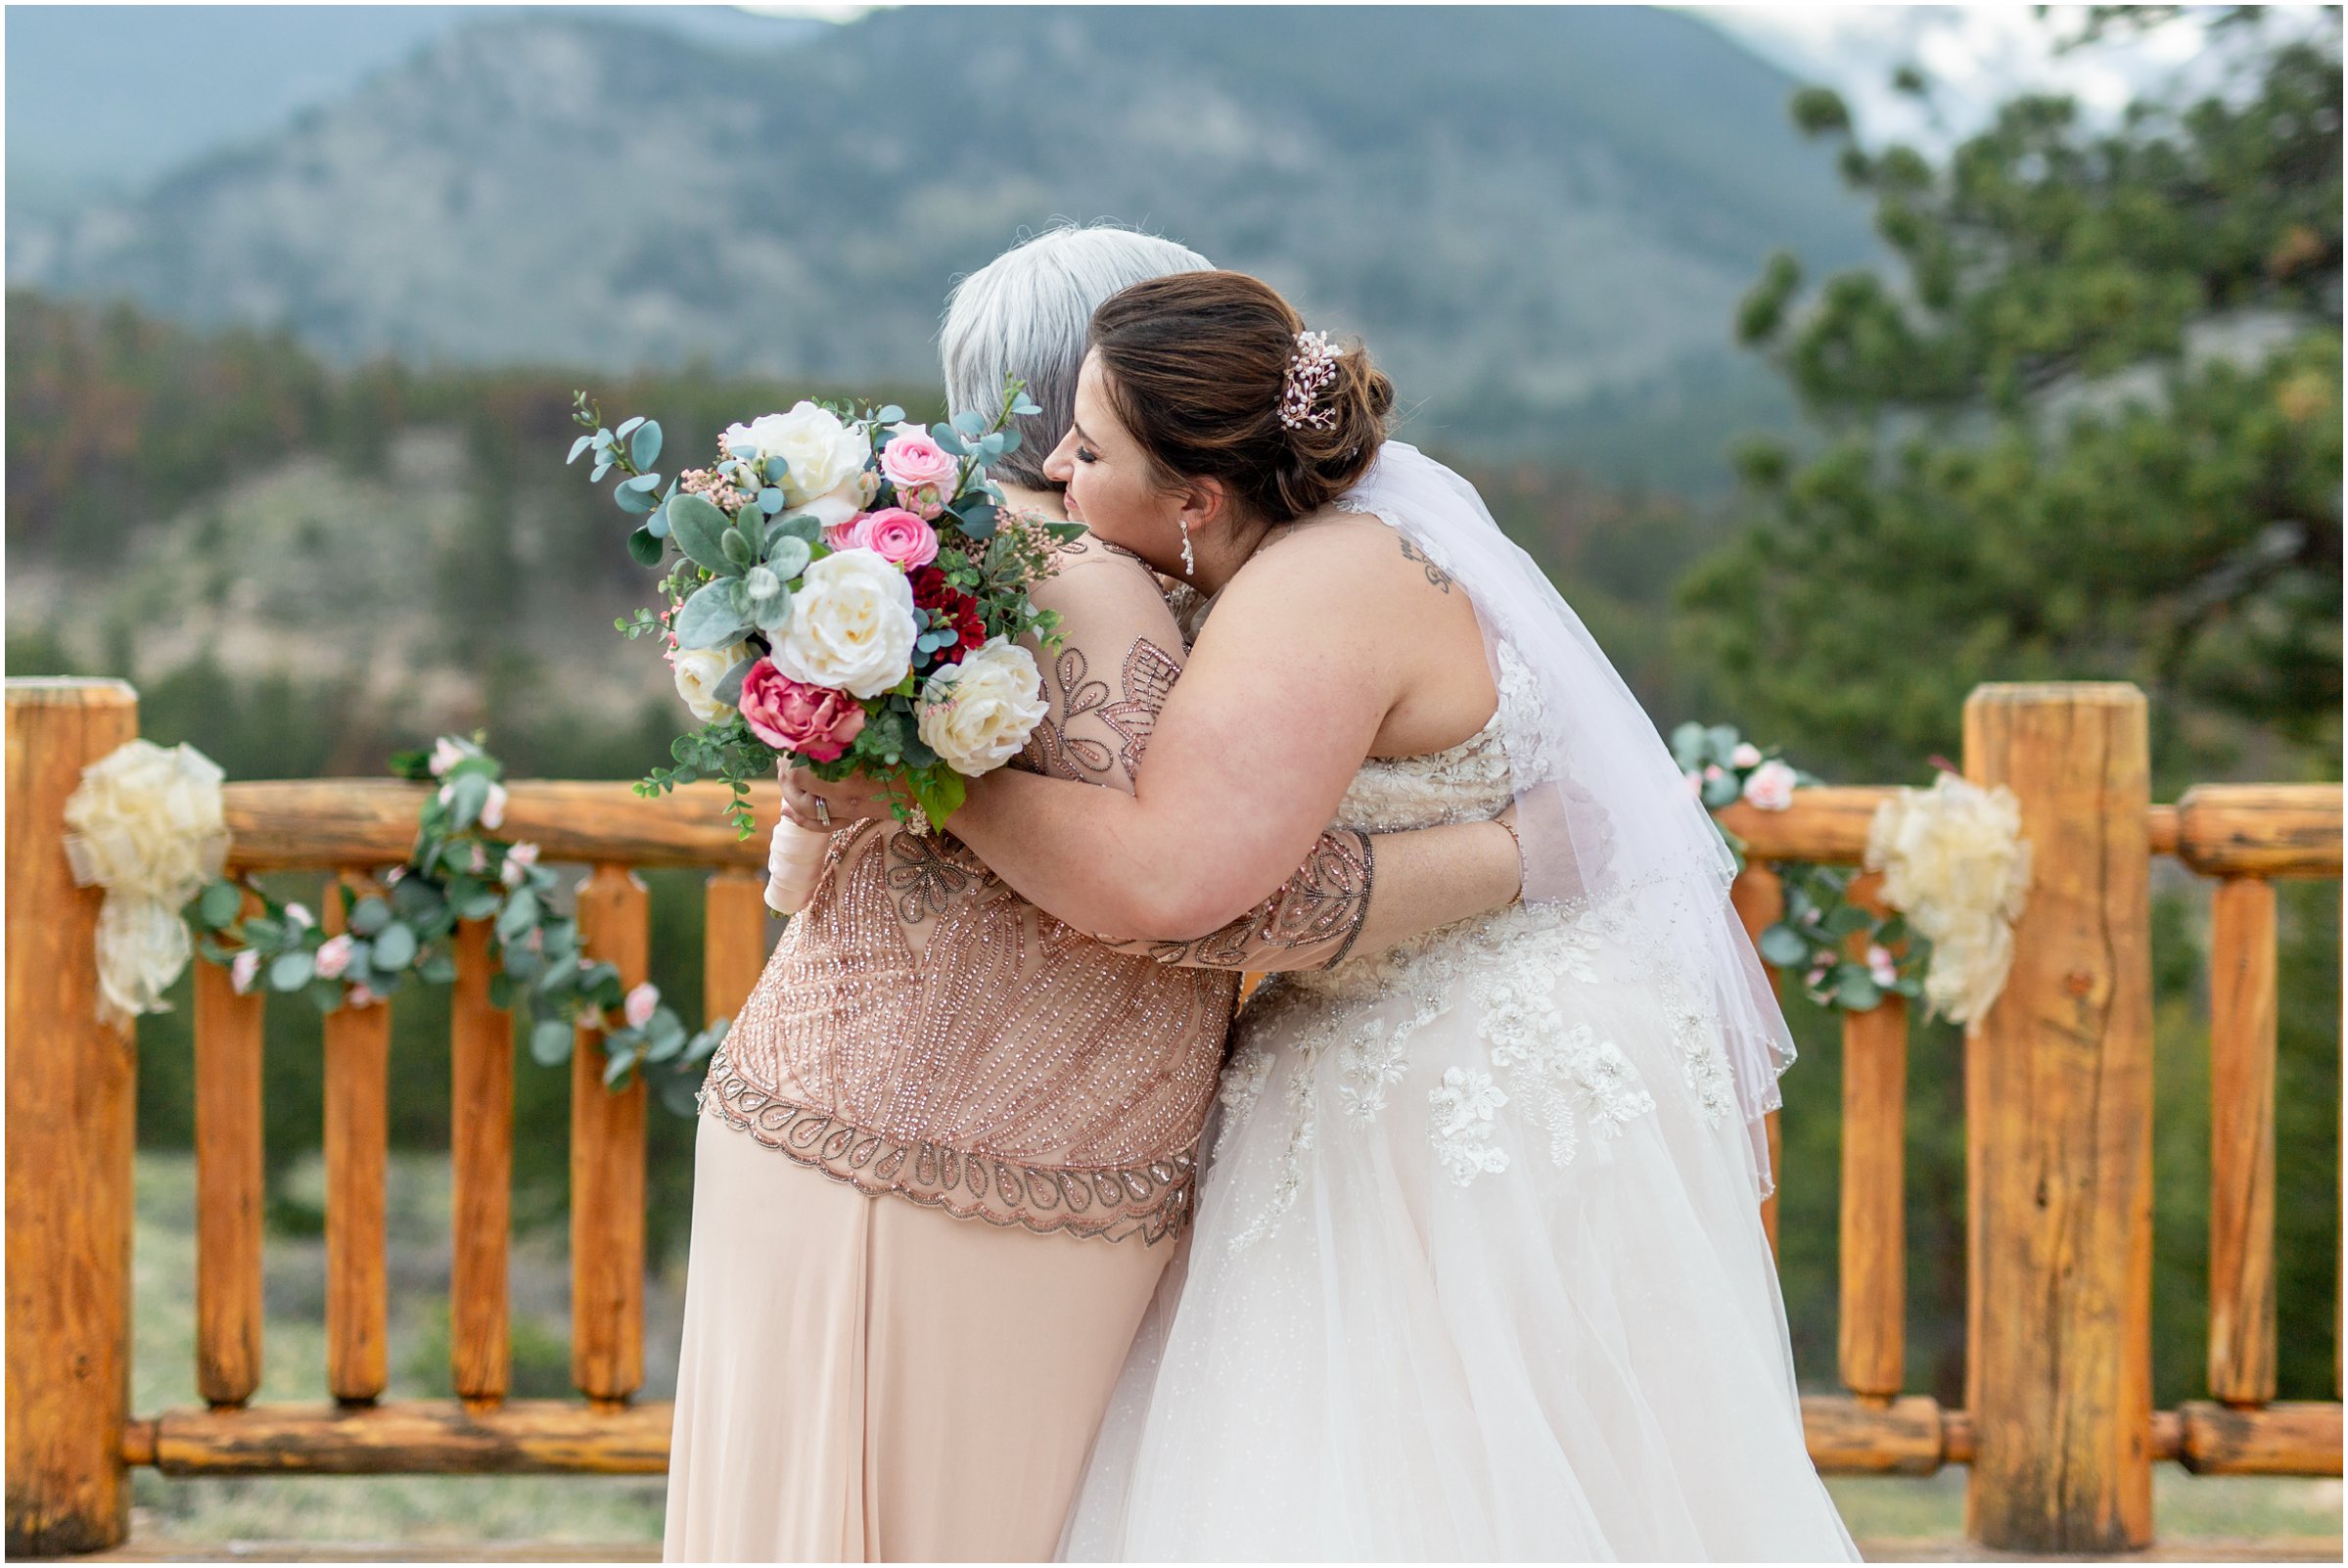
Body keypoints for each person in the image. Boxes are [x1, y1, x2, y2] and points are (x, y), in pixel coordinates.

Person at [791, 270, 1859, 1559]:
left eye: (1089, 445)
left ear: (1200, 499)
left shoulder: (1319, 587)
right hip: (1438, 1038)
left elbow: (1167, 882)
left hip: (1455, 1079)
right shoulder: (1324, 541)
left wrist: (924, 766)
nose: (1057, 470)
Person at [661, 229, 1525, 1563]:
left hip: (815, 1111)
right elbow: (1196, 893)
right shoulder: (1098, 586)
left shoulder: (910, 565)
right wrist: (1511, 858)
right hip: (976, 1176)